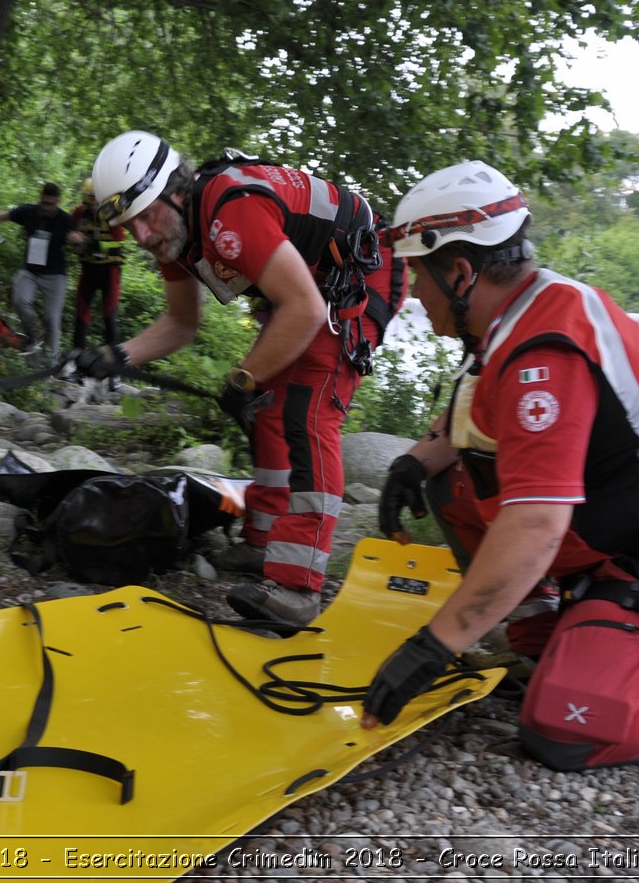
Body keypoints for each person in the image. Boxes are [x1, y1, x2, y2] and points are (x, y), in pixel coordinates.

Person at [360, 160, 639, 773]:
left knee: (565, 732)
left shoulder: (547, 353)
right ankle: (549, 643)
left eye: (416, 273)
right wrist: (412, 461)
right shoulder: (517, 314)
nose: (413, 292)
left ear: (459, 272)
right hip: (608, 518)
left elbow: (535, 524)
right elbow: (470, 413)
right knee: (450, 484)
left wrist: (436, 645)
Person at [79, 131, 405, 626]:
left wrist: (243, 377)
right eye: (130, 224)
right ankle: (266, 539)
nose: (143, 236)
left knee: (309, 410)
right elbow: (181, 324)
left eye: (146, 216)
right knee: (269, 404)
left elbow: (309, 310)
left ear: (177, 190)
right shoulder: (178, 233)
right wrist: (117, 354)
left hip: (362, 268)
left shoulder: (232, 212)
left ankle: (298, 587)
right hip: (308, 285)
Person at [0, 182, 79, 359]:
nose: (47, 208)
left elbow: (81, 247)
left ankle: (49, 363)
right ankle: (33, 337)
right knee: (20, 300)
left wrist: (77, 241)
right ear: (40, 199)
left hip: (55, 274)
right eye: (44, 203)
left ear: (58, 202)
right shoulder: (28, 211)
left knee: (52, 318)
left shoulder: (65, 220)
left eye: (51, 204)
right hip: (30, 270)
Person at [70, 176, 127, 357]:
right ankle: (77, 358)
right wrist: (73, 240)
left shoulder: (111, 216)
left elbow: (119, 246)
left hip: (109, 271)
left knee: (109, 315)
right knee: (81, 311)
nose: (91, 209)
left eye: (94, 205)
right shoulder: (79, 213)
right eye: (88, 205)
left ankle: (112, 365)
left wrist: (94, 245)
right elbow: (71, 233)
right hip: (88, 268)